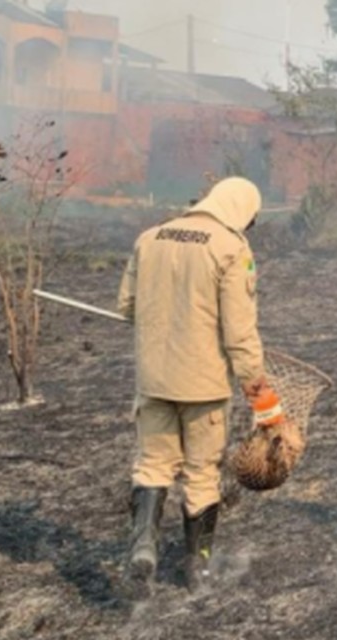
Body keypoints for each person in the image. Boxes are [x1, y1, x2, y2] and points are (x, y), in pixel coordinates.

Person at [117, 175, 282, 592]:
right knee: (201, 473)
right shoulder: (231, 249)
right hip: (203, 387)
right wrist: (263, 401)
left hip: (153, 380)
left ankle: (143, 547)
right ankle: (197, 569)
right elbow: (239, 336)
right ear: (241, 210)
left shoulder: (149, 238)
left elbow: (127, 307)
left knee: (152, 464)